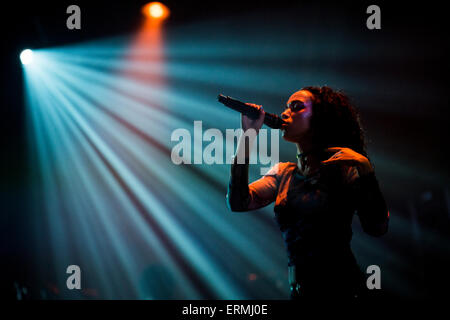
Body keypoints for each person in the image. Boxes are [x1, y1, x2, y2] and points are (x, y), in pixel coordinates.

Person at [226, 86, 389, 299]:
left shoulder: (346, 170)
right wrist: (247, 138)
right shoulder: (283, 174)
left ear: (321, 118)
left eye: (296, 107)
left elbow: (377, 227)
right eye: (286, 107)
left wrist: (366, 171)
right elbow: (238, 203)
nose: (285, 113)